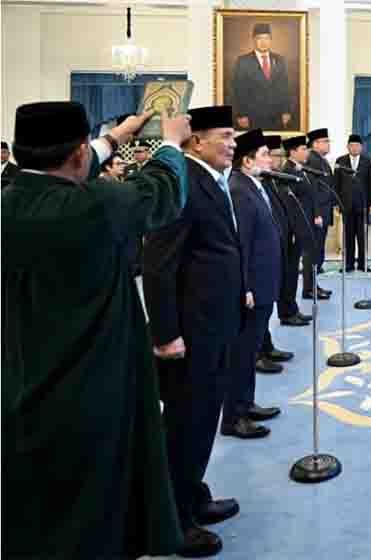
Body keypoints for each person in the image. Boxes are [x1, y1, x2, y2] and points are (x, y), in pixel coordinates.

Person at [3, 103, 190, 558]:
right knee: (93, 513)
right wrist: (169, 142)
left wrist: (115, 138)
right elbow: (163, 190)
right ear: (78, 154)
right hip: (90, 387)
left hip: (21, 383)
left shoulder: (8, 199)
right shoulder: (96, 205)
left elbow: (63, 172)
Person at [143, 105, 242, 557]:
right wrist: (166, 334)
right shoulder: (184, 180)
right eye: (225, 135)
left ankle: (192, 495)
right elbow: (159, 263)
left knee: (203, 422)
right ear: (196, 140)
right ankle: (173, 522)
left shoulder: (210, 180)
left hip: (214, 325)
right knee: (186, 425)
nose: (233, 143)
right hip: (189, 334)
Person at [223, 129, 283, 439]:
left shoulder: (253, 185)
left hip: (263, 283)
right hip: (253, 287)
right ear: (247, 161)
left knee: (249, 350)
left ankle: (246, 404)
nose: (270, 159)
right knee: (242, 353)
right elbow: (241, 244)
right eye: (264, 155)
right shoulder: (239, 190)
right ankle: (233, 417)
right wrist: (244, 286)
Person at [265, 134, 311, 327]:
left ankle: (291, 309)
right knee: (284, 278)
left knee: (291, 275)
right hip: (279, 239)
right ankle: (286, 312)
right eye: (274, 155)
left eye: (279, 155)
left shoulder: (278, 179)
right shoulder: (267, 180)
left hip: (290, 234)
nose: (278, 159)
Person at [283, 135, 331, 300]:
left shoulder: (303, 168)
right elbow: (291, 200)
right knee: (308, 256)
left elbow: (313, 193)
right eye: (303, 149)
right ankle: (308, 289)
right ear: (292, 152)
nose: (307, 152)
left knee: (314, 254)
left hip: (311, 218)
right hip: (301, 220)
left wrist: (317, 213)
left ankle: (312, 286)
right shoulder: (287, 171)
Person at [232, 23, 293, 131]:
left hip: (276, 116)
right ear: (253, 40)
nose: (263, 42)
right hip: (252, 117)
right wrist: (241, 115)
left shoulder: (279, 60)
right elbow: (237, 90)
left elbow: (285, 87)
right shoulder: (243, 61)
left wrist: (286, 111)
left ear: (271, 40)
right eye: (259, 38)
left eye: (267, 38)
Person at [335, 134, 371, 272]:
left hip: (362, 204)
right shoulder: (340, 161)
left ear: (361, 147)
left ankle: (363, 264)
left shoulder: (368, 161)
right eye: (352, 145)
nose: (354, 148)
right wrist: (337, 203)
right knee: (348, 236)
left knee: (362, 236)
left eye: (357, 145)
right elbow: (337, 184)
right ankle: (349, 264)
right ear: (348, 147)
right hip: (346, 205)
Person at [306, 128, 336, 271]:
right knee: (315, 243)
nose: (328, 144)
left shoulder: (320, 159)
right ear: (315, 144)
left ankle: (317, 269)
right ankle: (313, 272)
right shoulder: (312, 160)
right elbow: (313, 190)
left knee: (320, 241)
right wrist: (316, 213)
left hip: (324, 208)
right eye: (325, 141)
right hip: (318, 211)